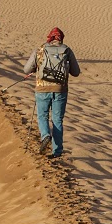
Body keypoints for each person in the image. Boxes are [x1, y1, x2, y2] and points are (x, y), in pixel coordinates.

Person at [21, 27, 82, 157]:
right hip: (60, 90)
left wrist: (36, 67)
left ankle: (45, 135)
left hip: (42, 89)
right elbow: (76, 72)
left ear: (49, 37)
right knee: (57, 120)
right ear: (61, 38)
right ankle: (57, 152)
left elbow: (26, 70)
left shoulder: (40, 50)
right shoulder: (67, 50)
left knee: (42, 116)